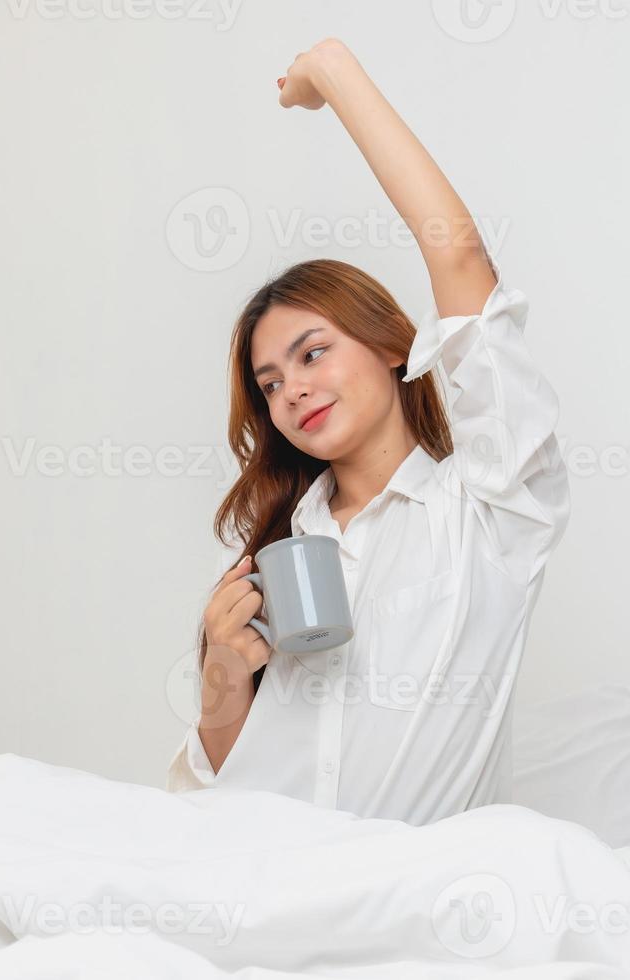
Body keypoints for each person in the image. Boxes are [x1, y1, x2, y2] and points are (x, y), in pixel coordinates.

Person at [166, 38, 571, 826]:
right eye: (271, 383)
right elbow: (218, 780)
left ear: (395, 346)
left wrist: (333, 73)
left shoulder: (492, 510)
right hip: (254, 879)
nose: (293, 391)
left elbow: (458, 253)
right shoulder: (274, 544)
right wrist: (221, 670)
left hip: (401, 902)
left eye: (313, 353)